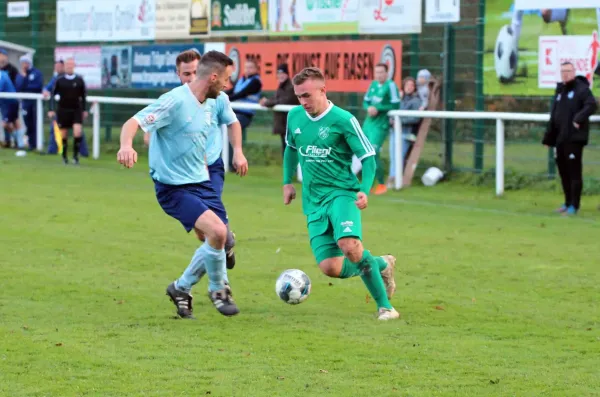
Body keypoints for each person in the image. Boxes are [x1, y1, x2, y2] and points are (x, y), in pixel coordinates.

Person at [117, 51, 248, 319]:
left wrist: (237, 152)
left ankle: (181, 288)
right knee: (217, 233)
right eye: (225, 79)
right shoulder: (174, 101)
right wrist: (126, 146)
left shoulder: (214, 101)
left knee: (218, 236)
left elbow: (227, 125)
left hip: (202, 181)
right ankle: (218, 290)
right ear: (213, 77)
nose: (227, 85)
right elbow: (133, 123)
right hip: (173, 188)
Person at [283, 67, 399, 321]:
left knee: (350, 246)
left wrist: (364, 190)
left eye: (307, 95)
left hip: (342, 194)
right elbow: (291, 149)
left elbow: (368, 159)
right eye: (299, 96)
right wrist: (287, 182)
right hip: (313, 200)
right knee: (330, 268)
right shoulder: (294, 117)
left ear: (323, 90)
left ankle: (385, 307)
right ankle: (382, 264)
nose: (303, 102)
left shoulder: (343, 120)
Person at [144, 48, 245, 270]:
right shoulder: (175, 102)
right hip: (181, 175)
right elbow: (148, 130)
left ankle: (214, 284)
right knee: (204, 234)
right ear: (178, 75)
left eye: (194, 72)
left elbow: (233, 122)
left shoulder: (217, 97)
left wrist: (237, 151)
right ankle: (224, 247)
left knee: (215, 230)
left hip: (210, 169)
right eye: (185, 74)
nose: (190, 77)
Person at [542, 62, 597, 216]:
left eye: (568, 71)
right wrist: (548, 138)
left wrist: (578, 119)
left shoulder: (581, 89)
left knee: (574, 173)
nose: (565, 74)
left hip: (574, 139)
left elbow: (591, 105)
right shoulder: (560, 91)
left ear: (573, 72)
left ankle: (574, 205)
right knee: (563, 172)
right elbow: (554, 117)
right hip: (560, 139)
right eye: (562, 71)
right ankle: (567, 203)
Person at [361, 63, 400, 195]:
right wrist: (368, 108)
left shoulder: (391, 85)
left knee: (373, 153)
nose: (379, 75)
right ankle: (369, 185)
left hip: (380, 125)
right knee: (364, 153)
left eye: (381, 72)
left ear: (387, 73)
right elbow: (365, 101)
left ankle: (382, 184)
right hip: (368, 124)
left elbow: (396, 105)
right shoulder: (373, 85)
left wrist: (379, 109)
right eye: (377, 72)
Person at [48, 58, 88, 165]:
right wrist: (51, 109)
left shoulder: (79, 80)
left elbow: (83, 96)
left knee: (77, 131)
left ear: (74, 66)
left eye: (71, 65)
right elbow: (52, 95)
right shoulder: (59, 80)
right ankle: (64, 156)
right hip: (63, 110)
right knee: (63, 134)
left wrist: (84, 110)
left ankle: (75, 157)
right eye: (67, 65)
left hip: (76, 110)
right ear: (64, 66)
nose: (69, 67)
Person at [225, 59, 262, 170]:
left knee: (233, 137)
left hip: (245, 114)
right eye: (246, 67)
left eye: (251, 67)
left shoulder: (256, 82)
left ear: (256, 69)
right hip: (235, 113)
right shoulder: (241, 80)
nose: (248, 70)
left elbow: (241, 94)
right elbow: (232, 92)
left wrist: (225, 99)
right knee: (228, 137)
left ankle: (233, 164)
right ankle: (229, 163)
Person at [259, 63, 299, 156]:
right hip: (284, 123)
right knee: (286, 149)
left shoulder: (291, 87)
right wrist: (267, 101)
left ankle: (293, 169)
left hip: (289, 123)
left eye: (282, 73)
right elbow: (275, 98)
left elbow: (283, 100)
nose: (280, 76)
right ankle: (289, 170)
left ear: (287, 74)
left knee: (290, 149)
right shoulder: (282, 86)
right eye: (278, 73)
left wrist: (266, 102)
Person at [388, 77, 422, 187]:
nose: (409, 87)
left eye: (412, 85)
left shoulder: (416, 101)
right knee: (393, 156)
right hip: (394, 131)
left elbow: (415, 118)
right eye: (407, 85)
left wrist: (399, 121)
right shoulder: (400, 99)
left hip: (405, 133)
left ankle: (395, 179)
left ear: (415, 87)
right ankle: (392, 178)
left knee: (399, 156)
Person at [15, 54, 43, 151]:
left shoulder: (36, 73)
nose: (24, 65)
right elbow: (18, 88)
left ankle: (37, 143)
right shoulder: (20, 75)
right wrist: (24, 78)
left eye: (26, 62)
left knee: (35, 123)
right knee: (28, 123)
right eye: (22, 63)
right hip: (25, 103)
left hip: (35, 103)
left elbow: (38, 86)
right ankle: (31, 144)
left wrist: (26, 86)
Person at [0, 70, 23, 149]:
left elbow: (0, 87)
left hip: (10, 102)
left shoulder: (2, 75)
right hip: (5, 102)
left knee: (6, 124)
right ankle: (20, 143)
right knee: (15, 121)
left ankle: (19, 141)